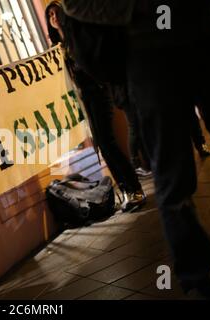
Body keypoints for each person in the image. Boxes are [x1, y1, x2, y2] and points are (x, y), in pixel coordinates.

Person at [63, 0, 210, 299]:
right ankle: (198, 283)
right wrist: (139, 9)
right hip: (149, 49)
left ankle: (198, 281)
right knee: (173, 179)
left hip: (202, 33)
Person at [46, 1, 147, 212]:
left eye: (56, 12)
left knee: (108, 142)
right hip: (85, 100)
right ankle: (128, 189)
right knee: (102, 144)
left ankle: (134, 188)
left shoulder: (77, 38)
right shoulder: (59, 48)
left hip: (99, 92)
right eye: (49, 16)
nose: (54, 17)